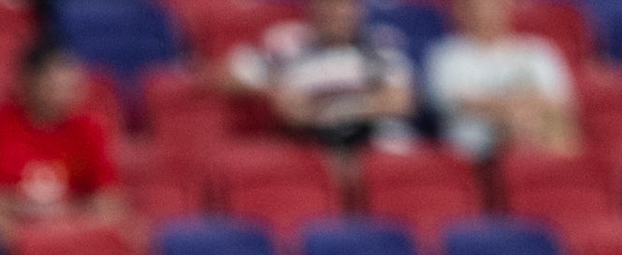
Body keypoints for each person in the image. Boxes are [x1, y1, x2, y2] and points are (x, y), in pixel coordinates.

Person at [0, 39, 122, 240]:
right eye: (56, 85)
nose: (68, 92)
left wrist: (65, 213)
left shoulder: (90, 128)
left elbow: (108, 200)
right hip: (18, 228)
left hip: (73, 227)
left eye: (71, 85)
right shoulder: (0, 122)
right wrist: (29, 212)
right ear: (30, 82)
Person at [225, 0, 416, 152]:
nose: (338, 14)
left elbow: (399, 101)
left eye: (345, 7)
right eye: (329, 7)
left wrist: (326, 111)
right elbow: (228, 76)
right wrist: (272, 91)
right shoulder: (288, 45)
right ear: (313, 11)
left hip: (372, 143)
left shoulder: (381, 45)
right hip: (307, 145)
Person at [426, 0, 576, 160]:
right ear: (460, 11)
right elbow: (453, 101)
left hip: (541, 139)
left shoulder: (537, 51)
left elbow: (559, 102)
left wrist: (517, 112)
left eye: (494, 5)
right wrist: (514, 110)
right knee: (519, 126)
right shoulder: (446, 56)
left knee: (558, 128)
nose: (485, 13)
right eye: (477, 6)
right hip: (478, 154)